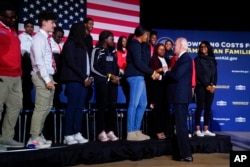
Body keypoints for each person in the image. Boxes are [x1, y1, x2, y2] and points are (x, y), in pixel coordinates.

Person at [26, 11, 57, 149]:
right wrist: (46, 79)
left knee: (47, 107)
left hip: (47, 76)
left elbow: (46, 60)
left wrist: (50, 77)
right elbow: (39, 61)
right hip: (41, 76)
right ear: (44, 22)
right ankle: (33, 138)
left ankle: (38, 134)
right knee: (41, 108)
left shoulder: (46, 38)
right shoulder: (39, 38)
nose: (54, 25)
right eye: (52, 22)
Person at [125, 25, 161, 141]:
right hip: (134, 76)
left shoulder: (141, 45)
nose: (148, 37)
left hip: (140, 77)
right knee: (134, 104)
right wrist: (152, 73)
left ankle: (136, 130)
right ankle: (130, 132)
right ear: (141, 34)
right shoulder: (134, 44)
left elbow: (144, 63)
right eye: (147, 35)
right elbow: (138, 63)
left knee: (143, 104)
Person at [61, 23, 92, 145]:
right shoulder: (70, 44)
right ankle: (68, 134)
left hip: (83, 81)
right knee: (72, 107)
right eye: (84, 29)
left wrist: (88, 78)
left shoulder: (82, 45)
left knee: (79, 107)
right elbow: (71, 63)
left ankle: (76, 132)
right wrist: (84, 77)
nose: (86, 31)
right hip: (74, 80)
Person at [163, 37, 193, 162]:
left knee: (181, 127)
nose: (173, 46)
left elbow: (176, 76)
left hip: (180, 98)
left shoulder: (185, 59)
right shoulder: (182, 59)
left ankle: (186, 154)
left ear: (181, 46)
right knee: (180, 126)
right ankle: (181, 154)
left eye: (175, 44)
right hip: (178, 97)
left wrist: (166, 72)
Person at [0, 2, 24, 150]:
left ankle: (6, 138)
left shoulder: (13, 31)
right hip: (2, 74)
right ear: (1, 16)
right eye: (9, 18)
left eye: (14, 17)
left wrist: (20, 73)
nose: (13, 20)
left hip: (16, 76)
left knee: (15, 107)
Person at [91, 30, 120, 142]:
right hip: (102, 82)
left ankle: (110, 131)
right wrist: (108, 76)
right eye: (111, 39)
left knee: (112, 107)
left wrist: (116, 77)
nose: (113, 41)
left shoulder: (113, 52)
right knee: (102, 107)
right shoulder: (96, 51)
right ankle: (101, 132)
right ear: (105, 39)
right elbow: (93, 68)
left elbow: (116, 68)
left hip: (112, 83)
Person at [194, 41, 217, 137]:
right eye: (201, 47)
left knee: (208, 108)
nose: (203, 48)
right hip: (201, 86)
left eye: (205, 46)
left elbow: (215, 74)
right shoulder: (198, 59)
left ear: (208, 48)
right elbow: (198, 74)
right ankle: (197, 129)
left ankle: (205, 129)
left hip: (211, 87)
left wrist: (213, 86)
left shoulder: (213, 59)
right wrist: (206, 85)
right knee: (200, 107)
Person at [149, 43, 169, 139]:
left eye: (164, 49)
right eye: (160, 49)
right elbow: (151, 75)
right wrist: (159, 70)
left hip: (165, 88)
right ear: (156, 50)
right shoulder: (153, 60)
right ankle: (157, 131)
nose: (162, 51)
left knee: (164, 110)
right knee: (157, 110)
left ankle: (164, 130)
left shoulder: (167, 60)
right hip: (156, 88)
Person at [19, 19, 35, 110]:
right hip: (26, 62)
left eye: (31, 27)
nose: (30, 28)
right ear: (24, 27)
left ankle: (28, 101)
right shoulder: (22, 36)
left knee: (30, 85)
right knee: (26, 84)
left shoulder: (33, 38)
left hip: (33, 62)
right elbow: (24, 52)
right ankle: (25, 103)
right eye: (28, 26)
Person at [49, 26, 65, 109]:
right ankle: (51, 103)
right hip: (52, 70)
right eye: (58, 36)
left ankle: (57, 101)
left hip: (60, 71)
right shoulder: (49, 43)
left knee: (58, 88)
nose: (60, 39)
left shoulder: (63, 44)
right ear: (53, 34)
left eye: (61, 37)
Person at [116, 35, 129, 106]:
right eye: (123, 41)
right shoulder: (117, 52)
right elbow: (119, 63)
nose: (125, 43)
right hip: (121, 74)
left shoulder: (128, 51)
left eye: (126, 41)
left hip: (128, 74)